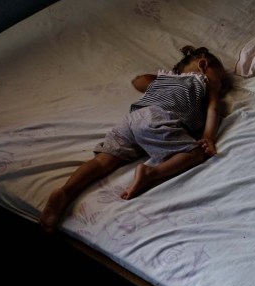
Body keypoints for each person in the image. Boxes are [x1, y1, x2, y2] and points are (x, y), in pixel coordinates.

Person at [39, 45, 229, 234]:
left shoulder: (165, 81)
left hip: (132, 119)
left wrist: (162, 78)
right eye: (220, 80)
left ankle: (65, 191)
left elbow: (138, 82)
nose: (221, 87)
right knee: (195, 153)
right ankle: (151, 174)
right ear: (204, 66)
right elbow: (213, 109)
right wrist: (207, 137)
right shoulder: (203, 82)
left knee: (102, 161)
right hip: (158, 119)